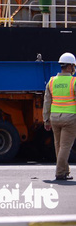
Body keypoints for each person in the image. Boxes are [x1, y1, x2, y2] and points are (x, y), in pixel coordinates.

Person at [44, 52, 76, 181]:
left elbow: (46, 102)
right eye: (73, 66)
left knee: (58, 146)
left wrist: (46, 120)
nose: (74, 69)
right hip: (70, 118)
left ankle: (64, 171)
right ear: (69, 67)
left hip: (55, 118)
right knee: (65, 147)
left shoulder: (52, 81)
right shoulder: (73, 81)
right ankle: (59, 173)